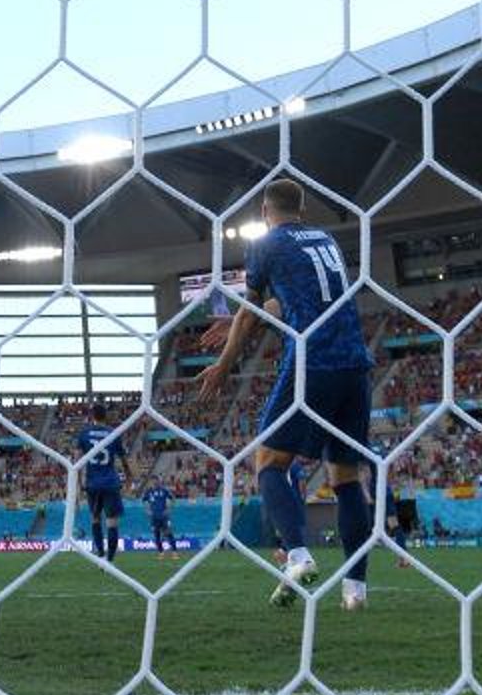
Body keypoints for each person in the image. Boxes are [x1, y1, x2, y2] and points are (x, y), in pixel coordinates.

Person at [197, 179, 374, 611]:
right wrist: (252, 315)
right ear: (303, 208)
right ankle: (355, 591)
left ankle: (297, 555)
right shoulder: (324, 238)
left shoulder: (266, 245)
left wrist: (224, 363)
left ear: (263, 211)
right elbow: (296, 299)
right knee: (345, 477)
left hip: (312, 361)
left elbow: (254, 309)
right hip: (355, 361)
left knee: (268, 462)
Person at [75, 417, 127, 560]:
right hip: (110, 483)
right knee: (112, 522)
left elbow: (77, 461)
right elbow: (123, 458)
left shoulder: (84, 434)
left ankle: (100, 553)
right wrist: (129, 476)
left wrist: (79, 484)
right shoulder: (113, 433)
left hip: (92, 484)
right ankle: (110, 559)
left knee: (95, 519)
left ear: (93, 417)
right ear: (105, 416)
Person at [141, 479, 175, 553]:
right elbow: (143, 501)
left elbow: (172, 499)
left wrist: (169, 509)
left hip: (164, 516)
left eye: (156, 481)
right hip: (154, 517)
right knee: (156, 534)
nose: (155, 483)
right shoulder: (148, 492)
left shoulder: (164, 490)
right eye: (153, 482)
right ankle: (161, 552)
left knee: (168, 533)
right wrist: (147, 510)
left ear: (159, 482)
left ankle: (174, 551)